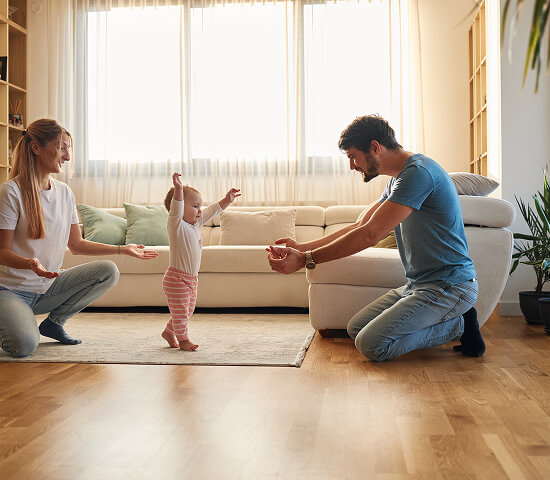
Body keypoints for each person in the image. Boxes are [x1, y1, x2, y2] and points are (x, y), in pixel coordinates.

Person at [267, 114, 485, 361]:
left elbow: (370, 235)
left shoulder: (418, 174)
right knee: (355, 329)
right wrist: (300, 247)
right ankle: (452, 321)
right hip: (418, 286)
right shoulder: (397, 180)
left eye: (352, 156)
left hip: (449, 286)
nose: (352, 166)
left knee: (372, 345)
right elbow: (361, 225)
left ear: (374, 147)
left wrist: (306, 259)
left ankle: (460, 325)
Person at [0, 119, 159, 358]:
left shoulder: (64, 193)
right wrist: (29, 264)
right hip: (10, 290)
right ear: (36, 148)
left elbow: (76, 245)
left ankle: (54, 323)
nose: (66, 156)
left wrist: (122, 249)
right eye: (61, 147)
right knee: (23, 345)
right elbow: (1, 252)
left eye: (68, 149)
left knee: (108, 270)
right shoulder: (10, 193)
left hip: (46, 288)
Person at [162, 172, 241, 351]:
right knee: (182, 312)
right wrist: (179, 189)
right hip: (176, 279)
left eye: (200, 206)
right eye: (195, 206)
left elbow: (212, 211)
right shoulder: (176, 225)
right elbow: (177, 207)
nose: (200, 210)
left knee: (187, 311)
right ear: (180, 208)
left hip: (191, 279)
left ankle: (169, 331)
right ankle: (183, 340)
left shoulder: (196, 224)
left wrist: (226, 200)